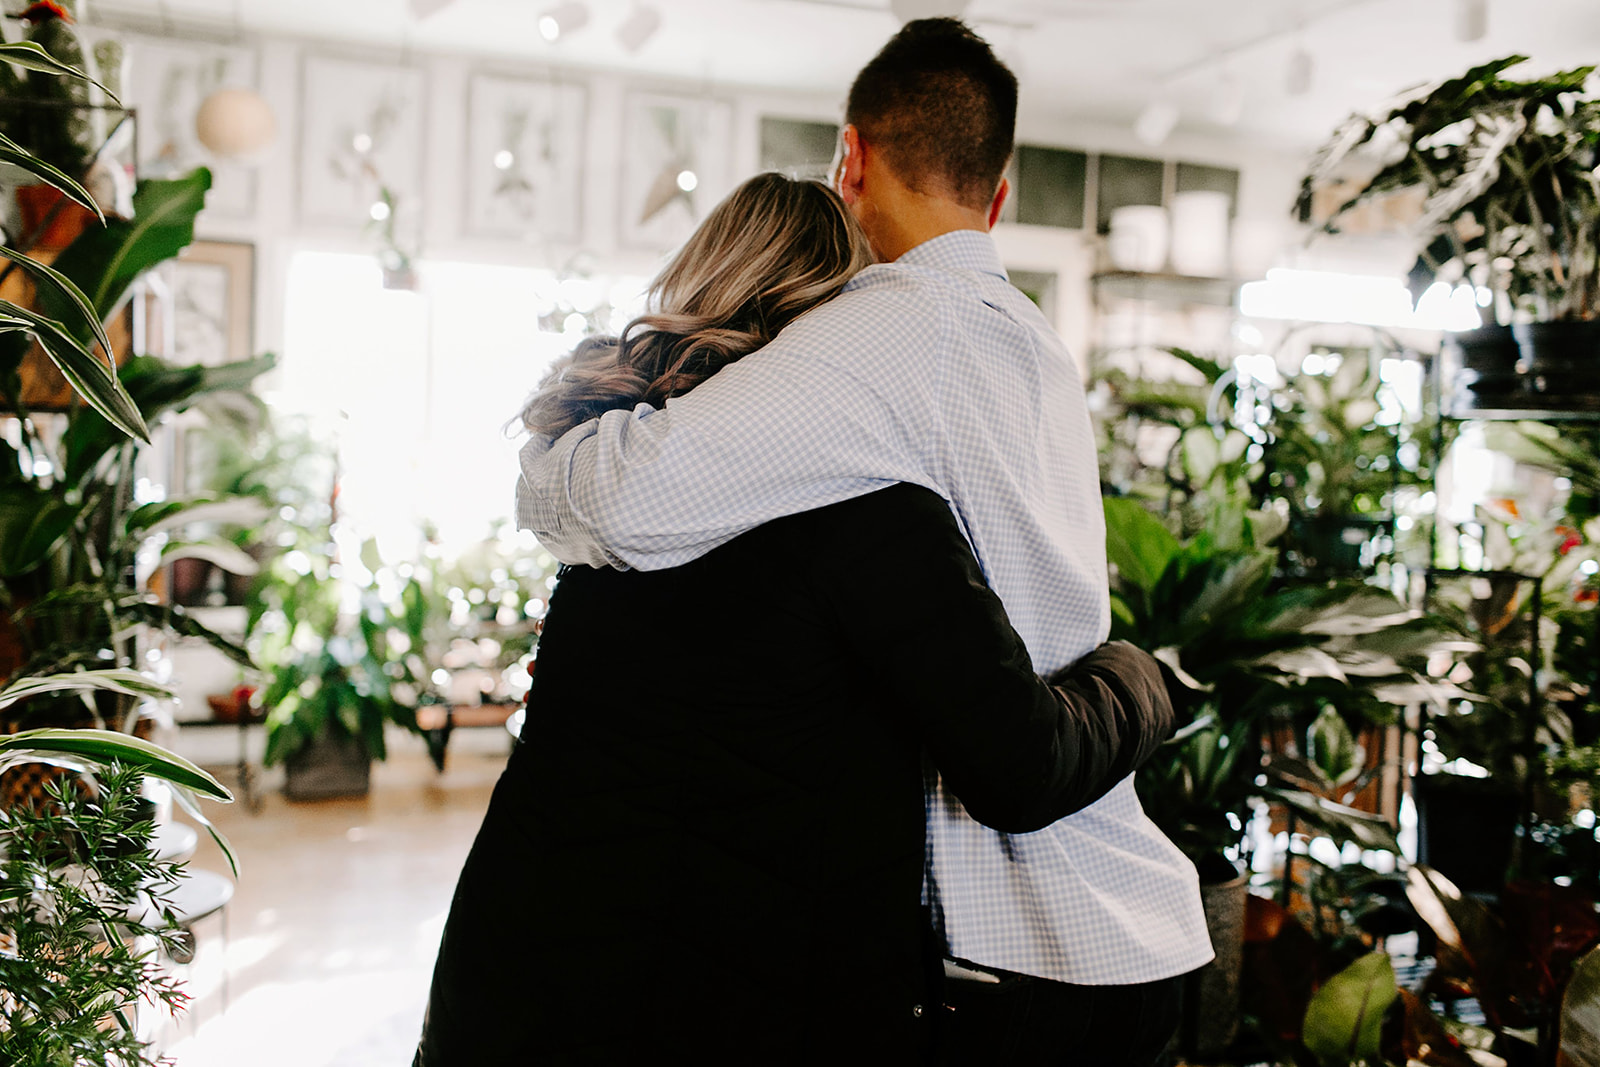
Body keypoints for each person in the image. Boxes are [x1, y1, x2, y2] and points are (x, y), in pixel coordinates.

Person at [515, 18, 1214, 1065]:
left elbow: (619, 504)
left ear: (850, 157)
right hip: (1123, 920)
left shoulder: (882, 333)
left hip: (1015, 947)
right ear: (1001, 188)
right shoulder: (1036, 344)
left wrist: (552, 445)